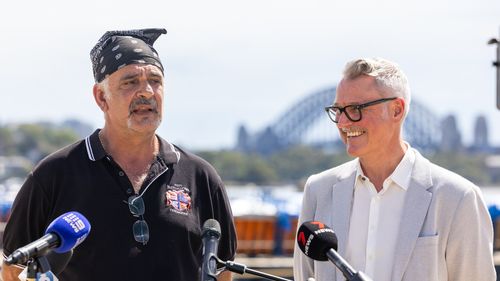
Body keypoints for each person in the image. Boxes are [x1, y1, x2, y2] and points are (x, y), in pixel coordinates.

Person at [2, 28, 237, 281]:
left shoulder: (200, 176)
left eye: (155, 80)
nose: (147, 91)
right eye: (130, 82)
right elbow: (12, 270)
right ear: (101, 97)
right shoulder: (53, 175)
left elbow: (222, 271)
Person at [293, 57, 496, 281]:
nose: (342, 122)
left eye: (355, 108)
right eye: (338, 110)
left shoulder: (458, 198)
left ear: (397, 110)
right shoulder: (318, 191)